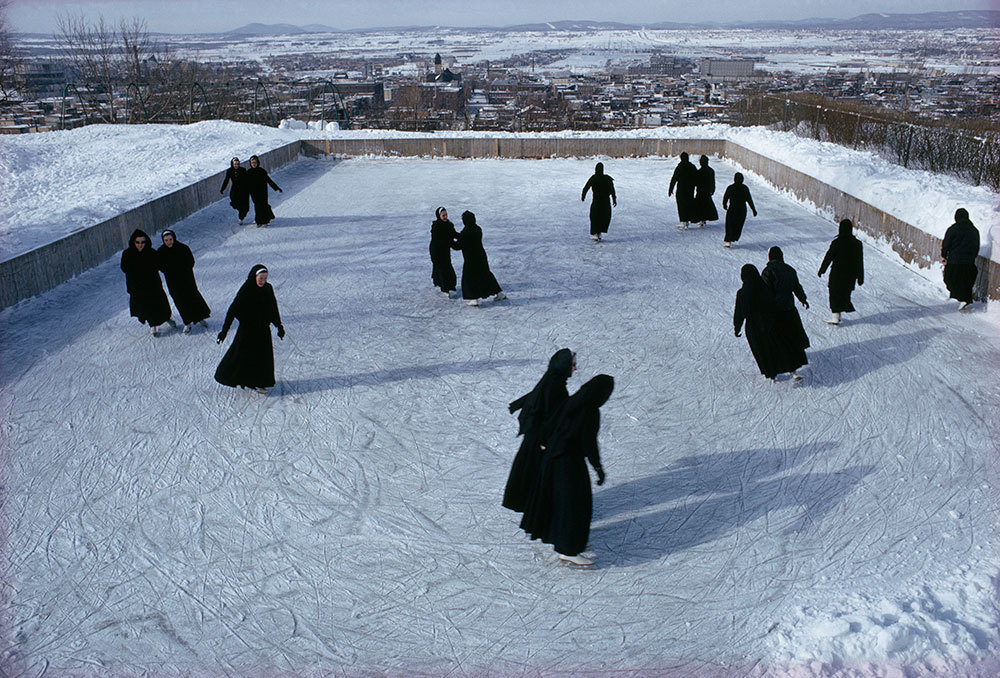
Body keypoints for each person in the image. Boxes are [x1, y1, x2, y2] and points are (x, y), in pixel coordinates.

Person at [519, 374, 614, 567]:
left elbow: (548, 424)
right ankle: (568, 549)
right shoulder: (590, 412)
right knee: (574, 505)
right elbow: (589, 444)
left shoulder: (572, 402)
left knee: (561, 503)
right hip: (569, 463)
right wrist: (598, 467)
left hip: (552, 460)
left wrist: (545, 445)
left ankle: (566, 541)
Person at [503, 349, 577, 513]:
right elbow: (550, 415)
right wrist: (545, 442)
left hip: (537, 437)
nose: (575, 368)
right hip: (540, 439)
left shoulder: (552, 380)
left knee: (531, 472)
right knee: (537, 473)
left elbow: (537, 395)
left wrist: (517, 404)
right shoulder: (556, 386)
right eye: (573, 365)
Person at [215, 264, 285, 394]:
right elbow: (232, 311)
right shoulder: (246, 289)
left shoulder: (268, 288)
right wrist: (224, 332)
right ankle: (244, 380)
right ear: (254, 276)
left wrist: (279, 326)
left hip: (263, 329)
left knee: (262, 358)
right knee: (241, 356)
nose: (263, 281)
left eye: (265, 278)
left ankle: (258, 382)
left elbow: (273, 308)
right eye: (260, 278)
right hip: (247, 330)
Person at [734, 264, 804, 382]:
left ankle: (771, 374)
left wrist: (737, 327)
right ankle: (793, 371)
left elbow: (739, 313)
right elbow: (773, 304)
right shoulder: (764, 288)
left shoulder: (742, 293)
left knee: (763, 351)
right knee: (780, 348)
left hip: (754, 328)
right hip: (771, 323)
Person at [761, 246, 809, 380]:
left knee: (779, 340)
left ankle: (782, 367)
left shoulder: (767, 271)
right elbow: (796, 287)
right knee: (792, 337)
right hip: (789, 308)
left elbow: (765, 293)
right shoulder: (789, 270)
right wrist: (803, 299)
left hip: (775, 312)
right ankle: (794, 367)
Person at [120, 228, 175, 336]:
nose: (140, 245)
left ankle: (167, 318)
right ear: (133, 242)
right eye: (138, 242)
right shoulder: (127, 254)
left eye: (143, 242)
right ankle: (152, 325)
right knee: (146, 307)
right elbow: (124, 268)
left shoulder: (151, 252)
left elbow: (160, 265)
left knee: (160, 304)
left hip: (153, 285)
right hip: (138, 286)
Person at [157, 229, 211, 334]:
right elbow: (160, 265)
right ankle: (187, 322)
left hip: (186, 279)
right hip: (173, 281)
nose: (169, 242)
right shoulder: (161, 251)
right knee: (180, 301)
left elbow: (190, 261)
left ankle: (199, 317)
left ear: (174, 238)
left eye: (170, 239)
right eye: (166, 240)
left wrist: (182, 270)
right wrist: (169, 271)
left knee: (192, 297)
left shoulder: (183, 248)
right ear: (163, 241)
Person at [818, 219, 865, 325]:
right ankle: (838, 316)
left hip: (837, 275)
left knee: (834, 294)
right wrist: (860, 277)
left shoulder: (837, 242)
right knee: (844, 294)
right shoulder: (857, 244)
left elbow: (829, 257)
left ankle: (836, 316)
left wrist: (822, 270)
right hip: (850, 276)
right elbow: (859, 261)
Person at [455, 210, 506, 307]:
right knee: (486, 275)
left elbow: (457, 246)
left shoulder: (465, 232)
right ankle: (499, 294)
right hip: (481, 256)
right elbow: (464, 237)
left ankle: (473, 299)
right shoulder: (478, 229)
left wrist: (448, 240)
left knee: (469, 278)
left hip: (471, 259)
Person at [940, 208, 980, 311]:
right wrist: (972, 257)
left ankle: (961, 298)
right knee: (965, 282)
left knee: (949, 279)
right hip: (969, 262)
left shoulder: (953, 229)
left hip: (955, 261)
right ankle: (963, 299)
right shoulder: (975, 230)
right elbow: (977, 246)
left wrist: (944, 255)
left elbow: (946, 243)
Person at [581, 162, 617, 242]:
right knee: (603, 216)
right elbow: (612, 190)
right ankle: (598, 232)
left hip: (597, 201)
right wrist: (614, 199)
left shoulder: (594, 178)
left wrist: (583, 195)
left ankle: (595, 233)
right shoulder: (607, 179)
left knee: (595, 217)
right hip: (605, 202)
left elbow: (586, 187)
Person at [429, 206, 460, 296]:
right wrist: (451, 242)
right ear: (439, 216)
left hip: (445, 250)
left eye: (446, 214)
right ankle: (445, 288)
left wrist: (463, 237)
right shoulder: (436, 226)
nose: (445, 217)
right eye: (443, 215)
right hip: (436, 250)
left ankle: (447, 285)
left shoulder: (449, 224)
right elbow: (440, 238)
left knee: (446, 267)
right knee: (441, 268)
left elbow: (453, 234)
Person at [245, 155, 282, 227]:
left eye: (255, 162)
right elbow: (246, 183)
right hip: (254, 193)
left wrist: (276, 188)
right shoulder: (248, 172)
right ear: (250, 163)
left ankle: (265, 221)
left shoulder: (262, 171)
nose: (254, 164)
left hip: (263, 192)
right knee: (257, 206)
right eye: (252, 162)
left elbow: (269, 180)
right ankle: (259, 221)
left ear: (257, 162)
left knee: (263, 205)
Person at [722, 172, 756, 247]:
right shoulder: (744, 188)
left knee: (730, 224)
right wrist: (753, 210)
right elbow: (749, 200)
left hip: (732, 208)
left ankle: (728, 240)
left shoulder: (731, 187)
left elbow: (726, 197)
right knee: (738, 225)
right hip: (742, 210)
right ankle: (733, 237)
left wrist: (724, 204)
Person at [667, 152, 698, 231]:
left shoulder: (680, 167)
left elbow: (674, 178)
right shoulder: (692, 166)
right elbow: (697, 178)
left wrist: (671, 189)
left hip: (682, 189)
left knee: (681, 205)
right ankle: (687, 220)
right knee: (688, 204)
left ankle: (683, 221)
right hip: (690, 189)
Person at [220, 157, 249, 224]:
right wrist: (222, 189)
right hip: (235, 190)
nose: (236, 165)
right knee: (236, 204)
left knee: (245, 208)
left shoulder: (243, 170)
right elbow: (226, 180)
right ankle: (240, 214)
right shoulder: (230, 171)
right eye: (235, 164)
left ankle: (241, 218)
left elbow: (247, 180)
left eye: (238, 164)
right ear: (232, 164)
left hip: (244, 190)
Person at [693, 155, 718, 228]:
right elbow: (713, 182)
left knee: (700, 206)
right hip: (707, 191)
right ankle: (703, 219)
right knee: (706, 205)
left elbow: (696, 182)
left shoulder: (699, 171)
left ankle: (701, 219)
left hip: (701, 191)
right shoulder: (711, 171)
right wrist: (713, 189)